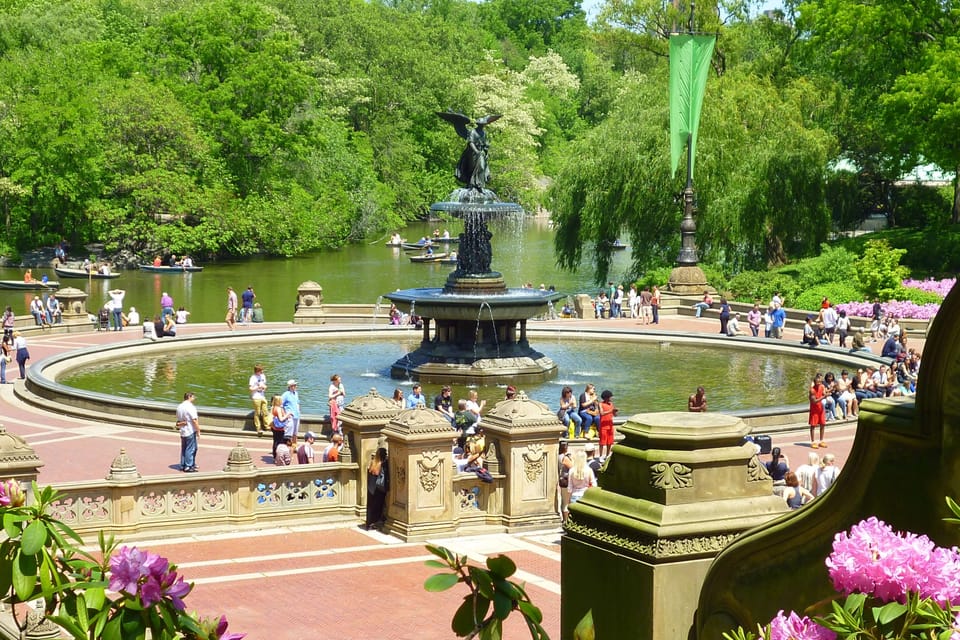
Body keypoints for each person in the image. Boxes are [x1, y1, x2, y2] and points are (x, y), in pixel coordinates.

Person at [363, 447, 389, 531]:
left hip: (370, 486)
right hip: (378, 488)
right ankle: (375, 522)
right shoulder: (382, 463)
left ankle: (369, 523)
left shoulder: (373, 462)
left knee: (370, 506)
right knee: (378, 506)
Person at [565, 450, 596, 516]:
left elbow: (569, 488)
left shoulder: (572, 470)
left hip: (574, 495)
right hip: (585, 496)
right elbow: (594, 485)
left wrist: (568, 501)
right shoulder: (589, 470)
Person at [176, 392, 199, 473]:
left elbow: (178, 419)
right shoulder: (190, 407)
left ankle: (183, 465)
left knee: (184, 448)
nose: (194, 398)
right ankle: (188, 466)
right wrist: (198, 430)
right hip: (190, 430)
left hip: (183, 431)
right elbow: (194, 420)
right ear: (189, 397)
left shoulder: (179, 406)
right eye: (193, 397)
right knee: (191, 448)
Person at [249, 364, 268, 437]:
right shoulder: (253, 378)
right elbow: (250, 389)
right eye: (261, 370)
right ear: (257, 371)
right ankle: (258, 428)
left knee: (265, 411)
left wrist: (264, 387)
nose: (262, 371)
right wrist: (257, 387)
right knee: (257, 413)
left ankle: (267, 426)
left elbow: (265, 385)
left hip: (262, 396)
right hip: (256, 397)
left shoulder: (263, 376)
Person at [809, 373, 827, 449]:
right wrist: (823, 397)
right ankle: (813, 442)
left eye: (820, 382)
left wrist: (829, 390)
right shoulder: (812, 390)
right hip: (814, 410)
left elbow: (823, 393)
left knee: (823, 424)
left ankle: (821, 440)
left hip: (821, 409)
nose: (819, 383)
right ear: (815, 382)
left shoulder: (822, 386)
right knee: (813, 425)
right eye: (817, 382)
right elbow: (814, 401)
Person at [281, 380, 301, 451]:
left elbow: (298, 403)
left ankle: (294, 446)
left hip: (297, 415)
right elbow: (281, 405)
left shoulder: (296, 393)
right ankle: (285, 447)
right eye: (294, 385)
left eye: (295, 385)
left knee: (295, 433)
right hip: (290, 417)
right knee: (288, 433)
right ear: (290, 386)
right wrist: (285, 415)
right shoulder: (285, 394)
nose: (296, 386)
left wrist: (299, 411)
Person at [598, 390, 618, 459]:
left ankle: (607, 455)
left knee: (609, 442)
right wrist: (611, 411)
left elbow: (615, 415)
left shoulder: (611, 404)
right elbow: (601, 413)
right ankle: (600, 456)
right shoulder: (600, 404)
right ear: (606, 397)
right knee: (602, 442)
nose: (611, 398)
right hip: (603, 426)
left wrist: (615, 412)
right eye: (610, 397)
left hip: (610, 425)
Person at [269, 394, 290, 459]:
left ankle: (275, 456)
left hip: (275, 427)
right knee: (279, 442)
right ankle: (278, 456)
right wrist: (287, 415)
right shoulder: (278, 409)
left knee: (275, 441)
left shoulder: (273, 407)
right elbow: (281, 419)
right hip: (279, 428)